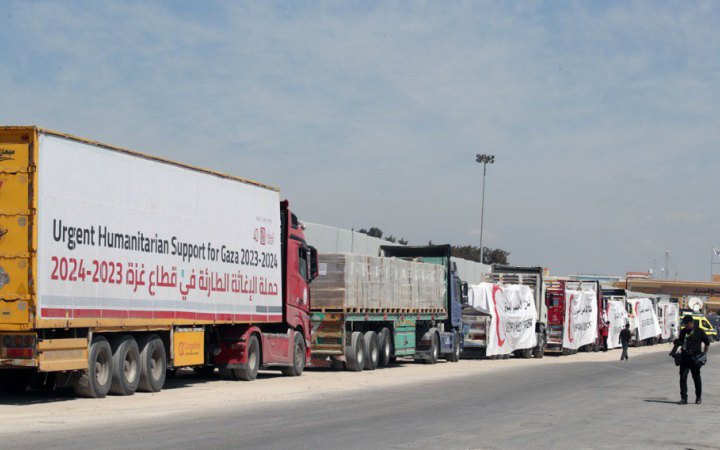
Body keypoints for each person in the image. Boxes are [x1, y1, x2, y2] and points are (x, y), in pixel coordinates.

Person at [670, 315, 710, 405]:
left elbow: (707, 343)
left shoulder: (699, 331)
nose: (685, 325)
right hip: (685, 358)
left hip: (695, 359)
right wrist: (675, 345)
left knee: (696, 378)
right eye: (684, 324)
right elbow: (680, 342)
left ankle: (698, 397)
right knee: (683, 378)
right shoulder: (683, 331)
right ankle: (684, 398)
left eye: (686, 324)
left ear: (691, 323)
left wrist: (704, 355)